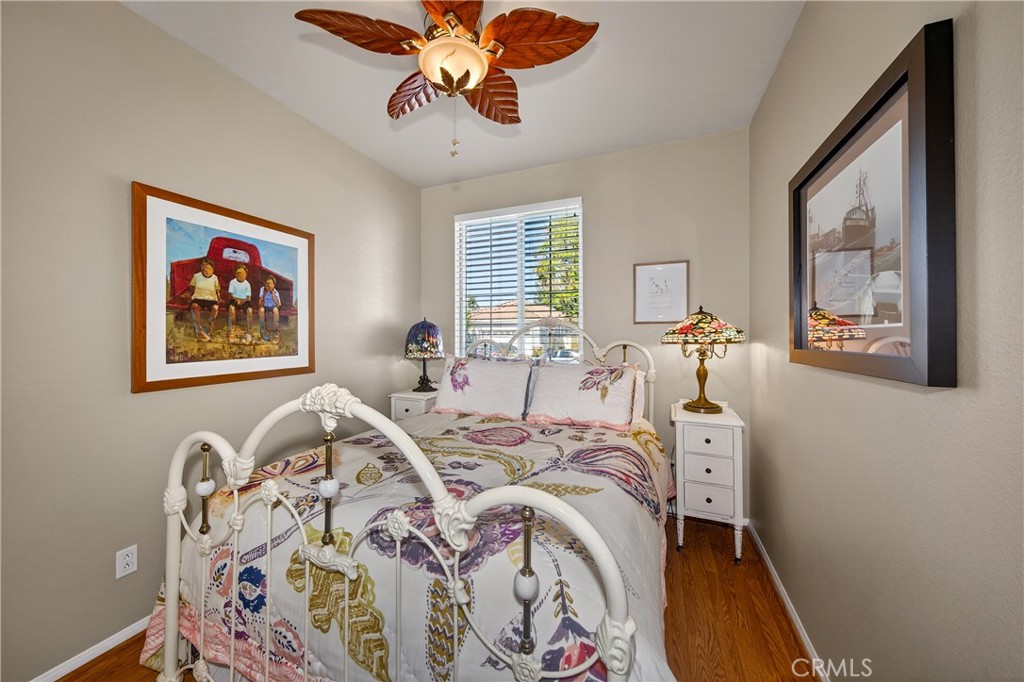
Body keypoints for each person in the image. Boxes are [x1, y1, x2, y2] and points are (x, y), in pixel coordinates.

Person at [189, 258, 220, 341]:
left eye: (209, 268)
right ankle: (199, 331)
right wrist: (191, 297)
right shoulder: (196, 276)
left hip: (211, 299)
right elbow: (192, 288)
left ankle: (209, 327)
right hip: (198, 298)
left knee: (215, 308)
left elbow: (217, 290)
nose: (206, 269)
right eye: (204, 267)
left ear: (212, 269)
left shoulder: (215, 278)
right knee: (194, 306)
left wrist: (219, 298)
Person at [227, 264, 253, 339]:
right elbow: (230, 295)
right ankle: (231, 329)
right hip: (234, 300)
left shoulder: (247, 284)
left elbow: (249, 297)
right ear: (236, 274)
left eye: (242, 273)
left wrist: (242, 301)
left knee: (250, 310)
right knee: (231, 308)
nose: (240, 275)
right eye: (238, 273)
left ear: (246, 274)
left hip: (245, 301)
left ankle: (249, 330)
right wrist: (237, 300)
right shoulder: (232, 282)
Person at [258, 275, 282, 343]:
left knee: (275, 310)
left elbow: (278, 305)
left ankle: (276, 332)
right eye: (267, 283)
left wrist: (272, 294)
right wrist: (265, 293)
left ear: (274, 284)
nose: (269, 285)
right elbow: (259, 304)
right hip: (265, 307)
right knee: (261, 310)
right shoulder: (262, 290)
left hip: (273, 307)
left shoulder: (276, 292)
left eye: (271, 283)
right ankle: (263, 331)